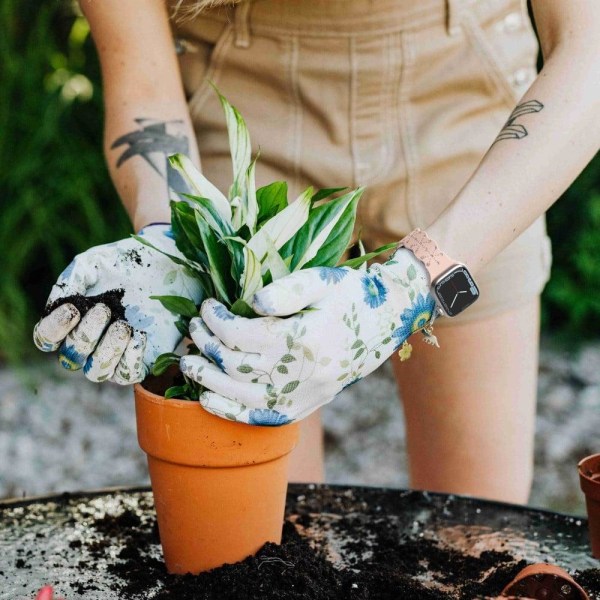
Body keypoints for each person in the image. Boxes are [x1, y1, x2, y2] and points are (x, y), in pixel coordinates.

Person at [34, 0, 600, 504]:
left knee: (480, 534)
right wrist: (171, 238)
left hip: (470, 109)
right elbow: (144, 83)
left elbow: (589, 48)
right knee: (263, 548)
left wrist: (413, 283)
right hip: (244, 119)